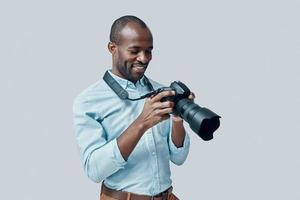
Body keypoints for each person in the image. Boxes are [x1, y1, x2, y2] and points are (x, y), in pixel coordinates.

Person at [73, 15, 194, 200]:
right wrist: (141, 124)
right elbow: (94, 171)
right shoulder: (88, 101)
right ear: (112, 48)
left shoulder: (160, 91)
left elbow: (178, 158)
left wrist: (178, 119)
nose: (144, 58)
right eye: (135, 50)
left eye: (149, 51)